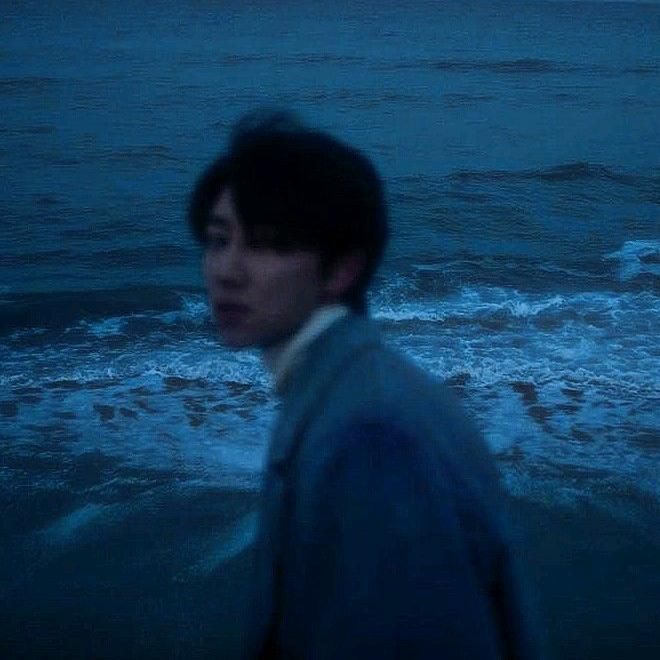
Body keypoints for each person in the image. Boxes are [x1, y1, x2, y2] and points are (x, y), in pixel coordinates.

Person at [188, 110, 540, 659]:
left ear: (342, 270)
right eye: (217, 239)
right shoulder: (349, 390)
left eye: (266, 243)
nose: (226, 270)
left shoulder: (371, 437)